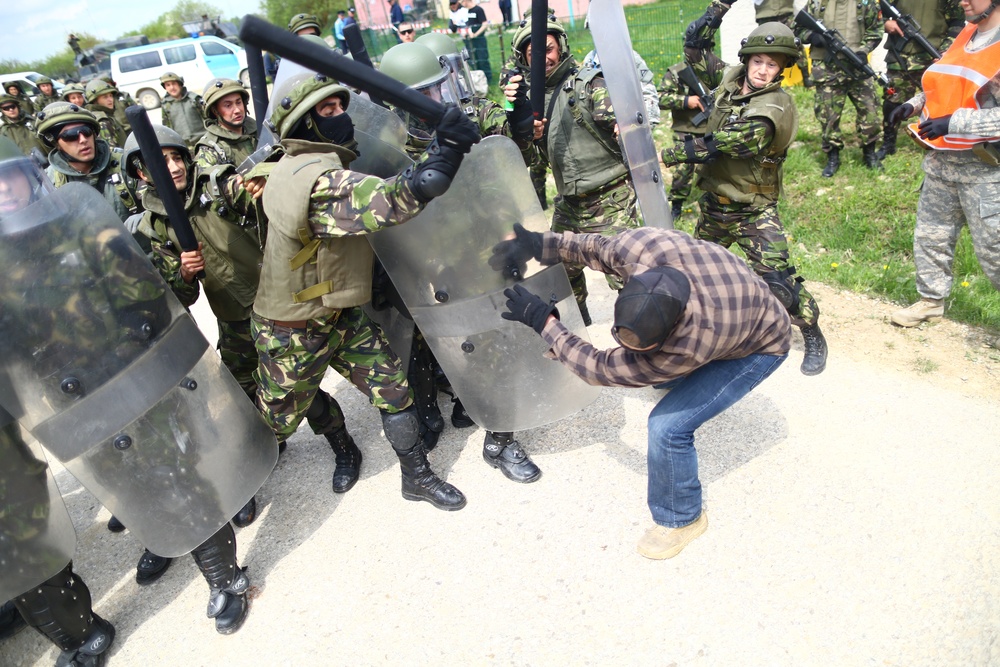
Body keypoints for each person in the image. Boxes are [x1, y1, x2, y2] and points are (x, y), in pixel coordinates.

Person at [0, 137, 255, 636]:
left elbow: (147, 296)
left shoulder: (78, 229)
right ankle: (162, 537)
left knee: (178, 474)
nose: (3, 193)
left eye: (7, 178)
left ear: (27, 176)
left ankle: (226, 578)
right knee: (124, 480)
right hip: (66, 400)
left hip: (126, 375)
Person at [490, 224, 790, 559]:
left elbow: (600, 369)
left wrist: (545, 323)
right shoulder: (641, 246)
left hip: (761, 344)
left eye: (646, 349)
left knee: (667, 428)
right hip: (735, 299)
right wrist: (538, 243)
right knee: (658, 378)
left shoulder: (693, 342)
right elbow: (593, 247)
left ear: (671, 333)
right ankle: (674, 379)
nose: (629, 349)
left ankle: (682, 518)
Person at [252, 72, 480, 510]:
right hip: (291, 333)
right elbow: (409, 194)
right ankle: (233, 497)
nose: (341, 116)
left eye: (341, 106)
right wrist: (448, 147)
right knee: (271, 427)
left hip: (339, 314)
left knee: (393, 388)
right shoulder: (318, 184)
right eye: (328, 111)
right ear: (305, 126)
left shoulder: (304, 165)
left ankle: (417, 477)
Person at [380, 40, 542, 483]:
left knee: (499, 337)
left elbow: (502, 167)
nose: (431, 100)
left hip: (478, 249)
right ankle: (439, 411)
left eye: (436, 88)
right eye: (420, 93)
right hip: (422, 263)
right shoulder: (384, 146)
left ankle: (501, 439)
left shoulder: (470, 119)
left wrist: (508, 222)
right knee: (423, 347)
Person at [661, 22, 828, 376]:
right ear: (747, 60)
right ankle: (688, 349)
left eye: (772, 65)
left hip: (753, 211)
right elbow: (694, 48)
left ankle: (811, 329)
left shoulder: (775, 106)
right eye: (758, 61)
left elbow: (734, 143)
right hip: (715, 207)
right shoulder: (730, 79)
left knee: (779, 284)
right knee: (690, 277)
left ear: (781, 69)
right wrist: (716, 10)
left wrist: (676, 153)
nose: (763, 70)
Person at [503, 13, 641, 326]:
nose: (543, 60)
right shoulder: (530, 100)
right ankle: (580, 331)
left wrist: (623, 126)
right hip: (570, 204)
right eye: (532, 56)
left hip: (611, 198)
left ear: (561, 47)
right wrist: (519, 121)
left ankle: (643, 341)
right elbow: (523, 157)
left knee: (629, 279)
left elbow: (619, 119)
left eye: (547, 51)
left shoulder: (588, 84)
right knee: (561, 276)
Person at [888, 0, 1000, 327]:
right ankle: (930, 302)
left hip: (984, 170)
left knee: (995, 250)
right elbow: (945, 84)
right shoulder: (965, 34)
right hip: (940, 162)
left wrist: (955, 122)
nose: (963, 0)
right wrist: (911, 105)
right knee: (931, 237)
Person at [658, 0, 731, 220]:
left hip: (711, 128)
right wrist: (686, 100)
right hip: (687, 129)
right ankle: (677, 204)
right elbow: (660, 98)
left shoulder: (715, 71)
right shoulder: (677, 72)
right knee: (683, 170)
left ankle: (719, 202)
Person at [797, 0, 884, 176]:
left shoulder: (865, 2)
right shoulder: (816, 3)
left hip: (857, 68)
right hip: (827, 70)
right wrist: (813, 37)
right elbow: (797, 28)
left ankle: (869, 153)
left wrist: (862, 51)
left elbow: (876, 30)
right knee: (828, 115)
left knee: (871, 112)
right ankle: (833, 156)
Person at [877, 0, 964, 160]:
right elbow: (873, 14)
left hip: (934, 57)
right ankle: (889, 142)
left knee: (939, 101)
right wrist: (886, 23)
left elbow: (958, 23)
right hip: (900, 56)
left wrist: (946, 50)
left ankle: (936, 139)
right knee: (892, 100)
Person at [35, 101, 136, 222]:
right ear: (55, 142)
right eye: (71, 135)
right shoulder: (49, 184)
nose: (83, 140)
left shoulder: (126, 163)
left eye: (86, 132)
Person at [195, 79, 257, 169]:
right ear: (215, 111)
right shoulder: (210, 147)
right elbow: (206, 178)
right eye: (228, 105)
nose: (237, 110)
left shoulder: (260, 130)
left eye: (238, 102)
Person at [753, 0, 811, 85]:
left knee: (795, 44)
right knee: (766, 47)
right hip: (765, 13)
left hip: (785, 11)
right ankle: (768, 80)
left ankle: (806, 75)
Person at [159, 72, 206, 148]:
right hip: (183, 145)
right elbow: (167, 128)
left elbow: (208, 118)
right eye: (168, 85)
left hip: (203, 141)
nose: (172, 87)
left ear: (180, 84)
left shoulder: (193, 99)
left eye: (174, 84)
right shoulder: (166, 105)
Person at [82, 78, 127, 148]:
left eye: (111, 96)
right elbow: (110, 150)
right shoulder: (102, 120)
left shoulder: (106, 115)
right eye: (105, 97)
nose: (110, 100)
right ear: (95, 101)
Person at [458, 0, 492, 83]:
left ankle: (488, 79)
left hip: (479, 39)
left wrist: (476, 34)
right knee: (472, 59)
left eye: (461, 2)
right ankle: (479, 78)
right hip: (471, 40)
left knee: (482, 58)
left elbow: (485, 24)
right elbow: (468, 25)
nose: (461, 4)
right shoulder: (467, 11)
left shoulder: (478, 9)